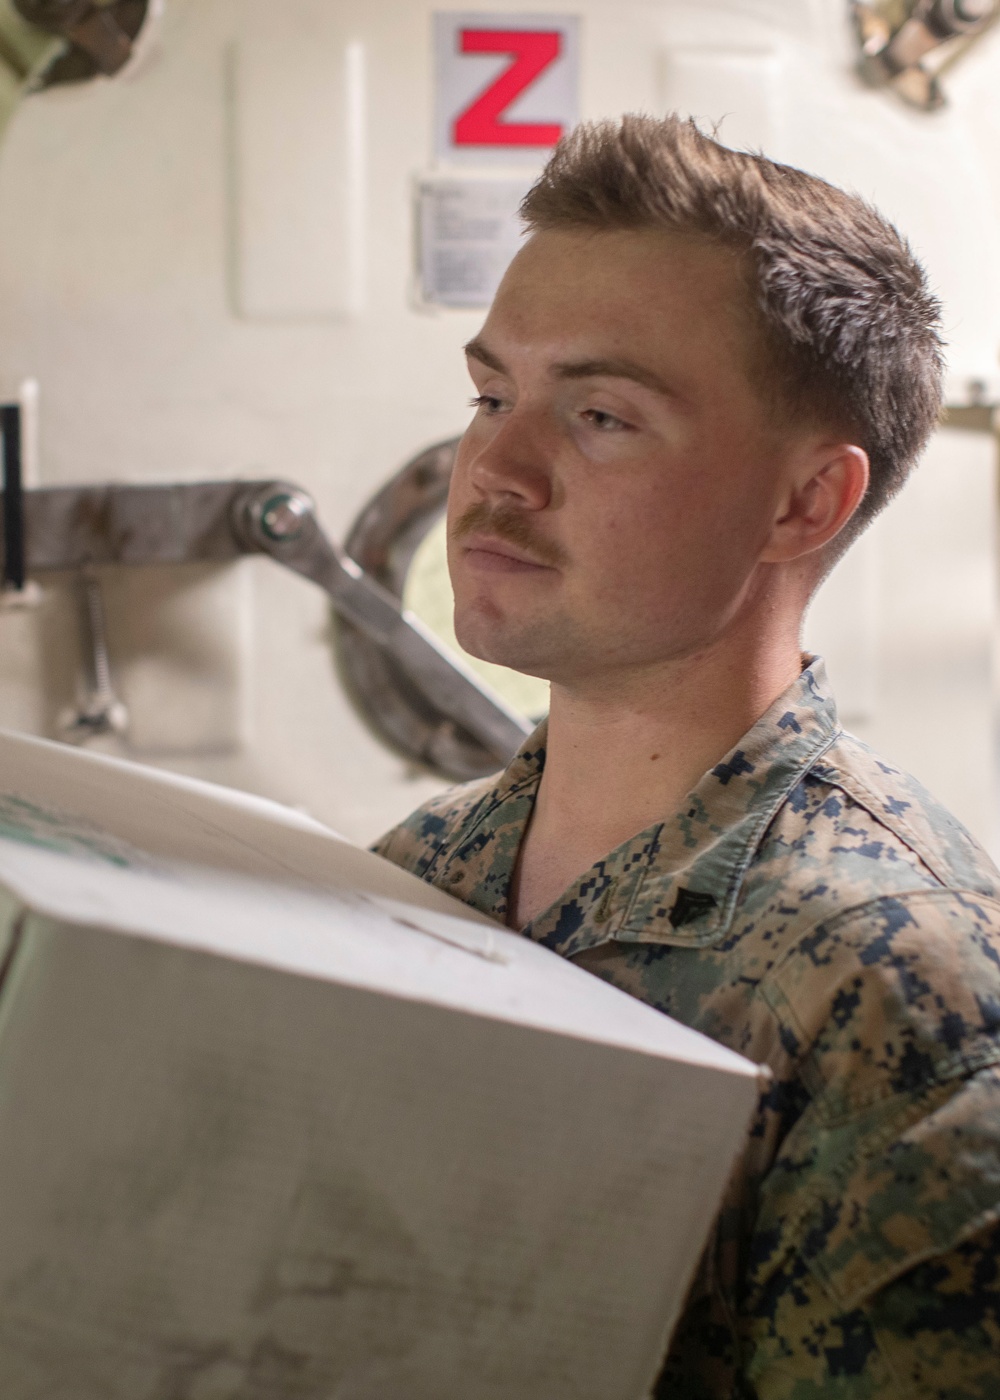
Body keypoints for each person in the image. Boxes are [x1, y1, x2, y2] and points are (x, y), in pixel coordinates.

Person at [372, 115, 1000, 1398]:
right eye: (492, 395)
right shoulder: (419, 870)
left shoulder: (899, 990)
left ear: (801, 503)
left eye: (600, 414)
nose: (494, 468)